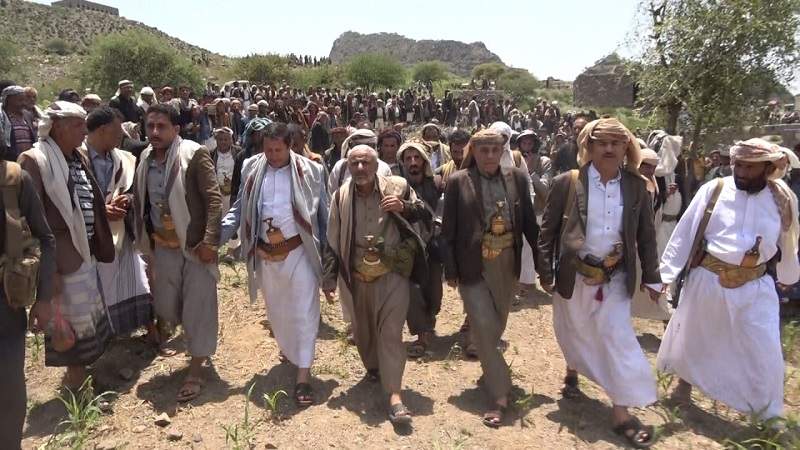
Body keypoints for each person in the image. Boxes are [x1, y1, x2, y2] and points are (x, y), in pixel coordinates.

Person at [536, 118, 660, 448]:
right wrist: (545, 272)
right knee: (574, 330)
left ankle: (621, 412)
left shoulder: (636, 186)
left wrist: (652, 277)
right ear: (588, 146)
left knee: (617, 339)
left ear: (625, 148)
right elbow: (547, 231)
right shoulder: (568, 182)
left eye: (615, 143)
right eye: (601, 143)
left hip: (615, 279)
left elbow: (646, 235)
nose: (608, 149)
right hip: (575, 275)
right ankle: (573, 370)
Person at [657, 138, 800, 421]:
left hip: (756, 285)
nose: (742, 172)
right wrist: (665, 274)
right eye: (739, 165)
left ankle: (768, 415)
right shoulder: (715, 189)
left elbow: (789, 238)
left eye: (750, 167)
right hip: (708, 279)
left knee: (764, 348)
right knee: (695, 337)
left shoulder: (782, 199)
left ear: (767, 167)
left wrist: (788, 273)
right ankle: (683, 388)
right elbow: (686, 231)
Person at [221, 122, 329, 406]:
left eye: (278, 150)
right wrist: (217, 235)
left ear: (290, 146)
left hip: (299, 252)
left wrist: (331, 258)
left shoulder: (312, 170)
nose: (272, 155)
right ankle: (292, 351)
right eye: (268, 149)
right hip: (266, 255)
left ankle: (303, 376)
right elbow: (240, 207)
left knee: (305, 312)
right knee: (278, 313)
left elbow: (323, 215)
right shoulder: (252, 167)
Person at [323, 144, 428, 424]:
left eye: (365, 163)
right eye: (354, 163)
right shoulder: (340, 196)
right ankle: (373, 367)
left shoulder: (397, 187)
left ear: (376, 164)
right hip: (358, 277)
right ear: (348, 166)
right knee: (364, 332)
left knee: (391, 333)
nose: (360, 168)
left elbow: (425, 213)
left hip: (393, 274)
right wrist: (329, 278)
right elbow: (332, 239)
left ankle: (395, 396)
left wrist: (404, 207)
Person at [441, 129, 539, 427]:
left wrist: (543, 267)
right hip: (472, 262)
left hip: (507, 260)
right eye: (483, 150)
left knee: (497, 324)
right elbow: (447, 231)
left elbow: (530, 224)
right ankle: (500, 396)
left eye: (495, 150)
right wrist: (451, 269)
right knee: (483, 326)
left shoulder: (517, 178)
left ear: (502, 152)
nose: (490, 156)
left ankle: (490, 366)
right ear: (474, 151)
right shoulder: (459, 181)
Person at [18, 101, 115, 390]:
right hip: (61, 260)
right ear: (57, 128)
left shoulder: (77, 156)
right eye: (77, 125)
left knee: (84, 321)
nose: (85, 130)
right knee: (69, 323)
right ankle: (77, 387)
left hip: (84, 252)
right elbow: (28, 223)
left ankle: (81, 377)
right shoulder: (34, 161)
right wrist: (50, 272)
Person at [132, 104, 222, 403]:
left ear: (176, 129)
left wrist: (210, 242)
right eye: (150, 126)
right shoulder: (144, 158)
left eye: (161, 126)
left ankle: (196, 369)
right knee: (166, 305)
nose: (154, 132)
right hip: (163, 246)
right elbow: (143, 202)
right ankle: (194, 338)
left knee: (198, 306)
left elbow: (213, 200)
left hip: (195, 246)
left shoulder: (194, 154)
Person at [81, 107, 153, 336]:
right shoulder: (75, 157)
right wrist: (100, 211)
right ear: (103, 130)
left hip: (122, 233)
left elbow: (135, 191)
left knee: (134, 281)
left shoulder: (125, 159)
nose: (120, 136)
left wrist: (126, 200)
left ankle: (139, 328)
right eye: (116, 132)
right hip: (88, 237)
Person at [0, 158, 56, 450]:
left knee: (8, 389)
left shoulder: (15, 180)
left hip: (6, 306)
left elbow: (46, 238)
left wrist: (44, 299)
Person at [396, 141, 442, 358]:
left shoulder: (437, 184)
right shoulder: (396, 186)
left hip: (432, 245)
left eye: (417, 158)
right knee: (412, 291)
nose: (413, 162)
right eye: (408, 158)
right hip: (408, 246)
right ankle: (421, 333)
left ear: (424, 161)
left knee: (434, 292)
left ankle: (429, 321)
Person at [1, 86, 37, 162]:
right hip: (10, 162)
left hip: (28, 161)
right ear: (8, 100)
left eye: (24, 100)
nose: (24, 103)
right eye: (20, 100)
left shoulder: (27, 115)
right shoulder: (2, 118)